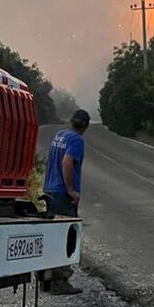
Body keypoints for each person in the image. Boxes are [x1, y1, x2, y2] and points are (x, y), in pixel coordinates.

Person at [41, 109, 90, 295]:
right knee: (66, 236)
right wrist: (70, 190)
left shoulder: (60, 135)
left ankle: (46, 280)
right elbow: (67, 162)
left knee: (53, 235)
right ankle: (59, 281)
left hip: (51, 190)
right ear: (85, 126)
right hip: (63, 194)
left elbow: (51, 161)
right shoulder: (77, 140)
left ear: (71, 121)